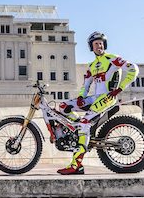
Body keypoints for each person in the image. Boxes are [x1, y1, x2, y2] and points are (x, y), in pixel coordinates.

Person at [57, 31, 139, 175]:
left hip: (108, 97)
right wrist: (82, 97)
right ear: (91, 47)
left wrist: (120, 88)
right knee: (64, 106)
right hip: (95, 98)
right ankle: (81, 128)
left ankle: (76, 165)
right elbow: (85, 85)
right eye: (96, 43)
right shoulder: (92, 66)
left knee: (84, 124)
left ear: (104, 44)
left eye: (101, 43)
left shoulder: (112, 59)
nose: (99, 45)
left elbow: (133, 69)